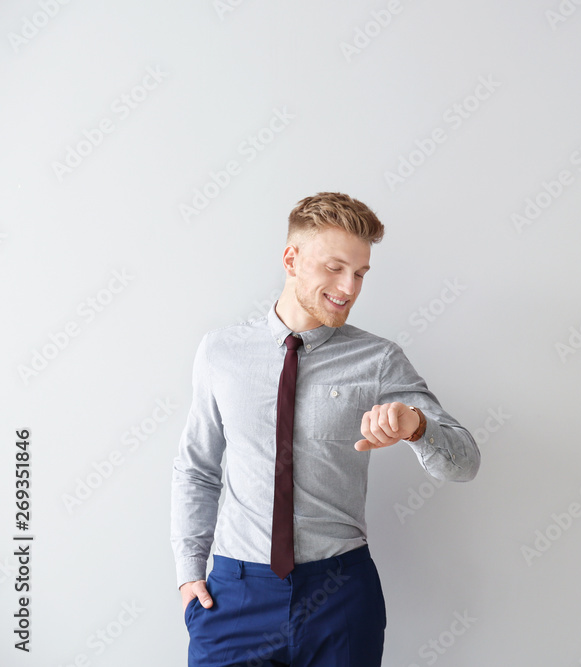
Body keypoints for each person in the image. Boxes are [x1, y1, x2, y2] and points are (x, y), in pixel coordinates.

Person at [170, 192, 480, 667]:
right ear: (292, 259)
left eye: (360, 273)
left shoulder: (379, 360)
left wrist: (417, 426)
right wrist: (190, 570)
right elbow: (198, 467)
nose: (349, 287)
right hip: (235, 595)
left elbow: (466, 463)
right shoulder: (220, 352)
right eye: (335, 268)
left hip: (340, 595)